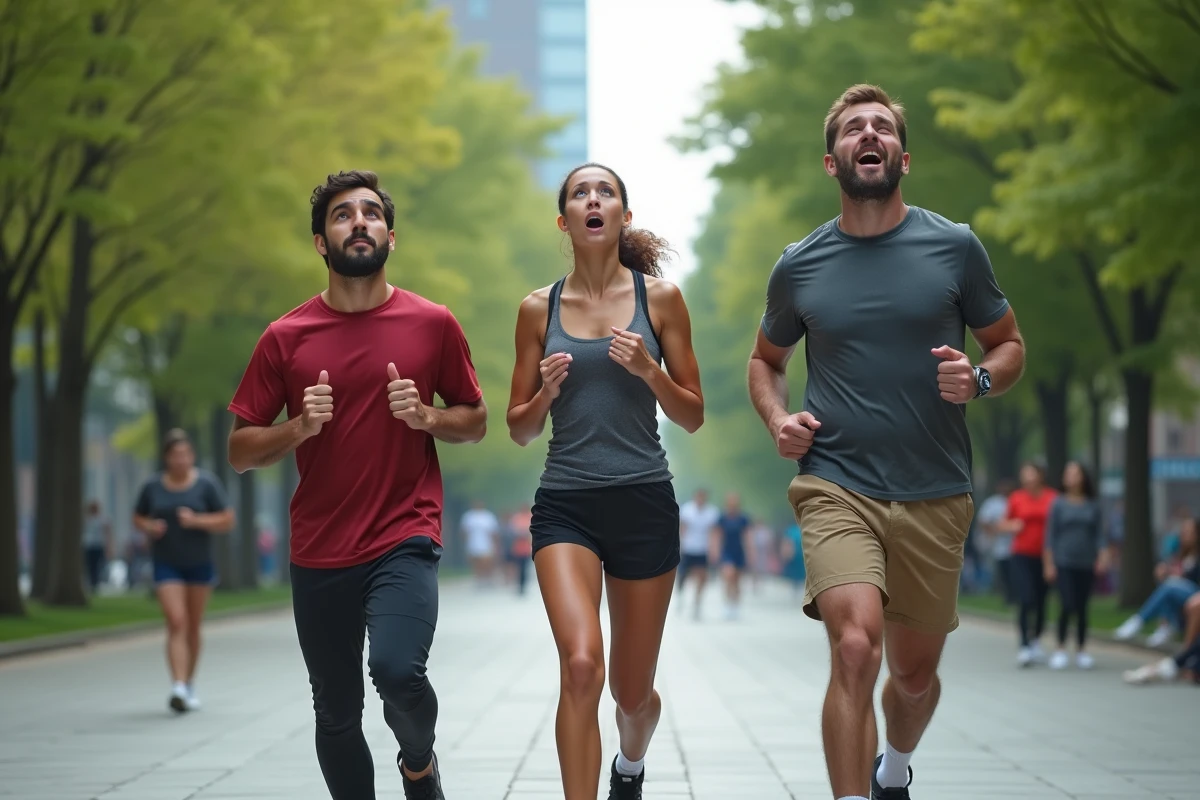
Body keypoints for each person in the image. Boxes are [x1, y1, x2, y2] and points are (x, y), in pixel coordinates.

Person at [747, 84, 1025, 800]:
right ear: (831, 161)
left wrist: (981, 380)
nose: (868, 134)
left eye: (881, 127)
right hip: (837, 482)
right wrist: (779, 419)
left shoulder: (955, 246)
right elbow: (765, 362)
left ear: (904, 156)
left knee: (912, 678)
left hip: (936, 488)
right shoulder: (799, 263)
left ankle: (894, 767)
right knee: (854, 646)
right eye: (852, 129)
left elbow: (1008, 344)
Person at [227, 170, 486, 800]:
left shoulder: (433, 324)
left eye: (371, 213)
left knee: (398, 672)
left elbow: (475, 421)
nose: (359, 222)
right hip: (320, 547)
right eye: (343, 215)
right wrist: (296, 429)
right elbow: (239, 449)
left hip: (405, 532)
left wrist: (426, 416)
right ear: (321, 241)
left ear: (391, 237)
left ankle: (418, 765)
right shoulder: (285, 337)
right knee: (336, 714)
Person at [506, 162, 703, 800]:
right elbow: (518, 427)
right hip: (566, 504)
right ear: (565, 220)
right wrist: (546, 393)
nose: (594, 200)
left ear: (623, 214)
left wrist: (650, 370)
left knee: (631, 692)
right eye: (580, 194)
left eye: (606, 192)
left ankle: (631, 764)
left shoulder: (661, 300)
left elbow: (692, 415)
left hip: (644, 501)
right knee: (582, 665)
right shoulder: (538, 308)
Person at [132, 429, 235, 713]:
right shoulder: (153, 487)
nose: (181, 460)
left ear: (192, 456)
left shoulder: (206, 485)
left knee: (192, 625)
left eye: (186, 454)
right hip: (166, 563)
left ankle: (189, 683)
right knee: (176, 621)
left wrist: (197, 520)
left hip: (199, 564)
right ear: (166, 458)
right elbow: (138, 516)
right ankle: (177, 685)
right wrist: (150, 527)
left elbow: (227, 519)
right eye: (175, 455)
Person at [1043, 461, 1109, 670]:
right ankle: (1060, 648)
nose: (1070, 477)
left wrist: (1102, 558)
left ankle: (1081, 650)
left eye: (1075, 473)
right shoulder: (1058, 504)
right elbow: (1050, 537)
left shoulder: (1092, 505)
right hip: (1063, 562)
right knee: (1066, 603)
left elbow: (1099, 536)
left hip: (1086, 562)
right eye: (1067, 473)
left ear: (1083, 477)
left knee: (1082, 607)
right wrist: (1049, 564)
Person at [1005, 461, 1057, 666]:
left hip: (1045, 556)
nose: (1027, 478)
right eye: (1024, 474)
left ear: (1040, 476)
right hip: (1022, 555)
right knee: (1026, 599)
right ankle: (1024, 646)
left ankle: (1036, 641)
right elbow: (1003, 522)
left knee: (1042, 601)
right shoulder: (1016, 498)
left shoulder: (1052, 497)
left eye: (1031, 474)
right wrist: (1012, 525)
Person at [677, 488, 720, 619]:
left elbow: (714, 532)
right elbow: (682, 528)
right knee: (684, 575)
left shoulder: (712, 512)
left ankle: (697, 603)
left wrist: (714, 549)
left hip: (703, 548)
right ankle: (681, 594)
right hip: (688, 548)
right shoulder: (687, 510)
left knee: (702, 577)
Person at [976, 479, 1015, 603]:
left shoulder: (1014, 500)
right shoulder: (993, 503)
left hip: (1013, 543)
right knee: (998, 570)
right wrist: (994, 532)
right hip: (997, 543)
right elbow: (983, 520)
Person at [716, 492, 752, 620]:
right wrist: (715, 551)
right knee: (728, 576)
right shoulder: (722, 518)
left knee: (737, 581)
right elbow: (718, 536)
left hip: (739, 551)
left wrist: (750, 553)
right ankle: (727, 605)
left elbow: (747, 537)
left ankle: (735, 606)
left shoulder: (743, 519)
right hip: (727, 551)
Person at [460, 501, 500, 588]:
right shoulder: (469, 516)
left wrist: (495, 544)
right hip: (473, 543)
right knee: (476, 563)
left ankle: (488, 579)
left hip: (486, 544)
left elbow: (494, 532)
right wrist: (465, 543)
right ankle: (479, 580)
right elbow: (464, 532)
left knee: (486, 562)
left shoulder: (488, 516)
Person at [82, 499, 113, 593]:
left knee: (98, 565)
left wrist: (109, 546)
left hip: (98, 545)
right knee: (90, 565)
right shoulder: (86, 519)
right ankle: (92, 583)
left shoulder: (102, 519)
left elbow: (108, 533)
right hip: (89, 545)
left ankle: (96, 583)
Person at [509, 505, 534, 595]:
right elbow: (513, 530)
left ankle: (523, 585)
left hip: (527, 547)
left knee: (525, 568)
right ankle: (519, 585)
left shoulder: (530, 517)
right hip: (518, 547)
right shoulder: (517, 518)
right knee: (519, 567)